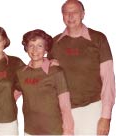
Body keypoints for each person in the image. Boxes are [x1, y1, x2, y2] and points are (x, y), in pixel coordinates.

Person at [48, 0, 115, 135]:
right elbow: (45, 77)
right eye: (66, 13)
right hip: (61, 112)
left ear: (83, 14)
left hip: (91, 110)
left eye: (75, 12)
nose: (70, 16)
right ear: (62, 16)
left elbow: (108, 78)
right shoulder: (54, 43)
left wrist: (106, 116)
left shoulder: (98, 39)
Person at [14, 29, 74, 135]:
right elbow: (10, 97)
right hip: (30, 131)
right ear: (26, 48)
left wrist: (68, 131)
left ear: (46, 49)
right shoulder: (21, 73)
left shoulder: (56, 71)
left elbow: (65, 106)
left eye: (39, 46)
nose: (35, 50)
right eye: (31, 45)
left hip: (53, 131)